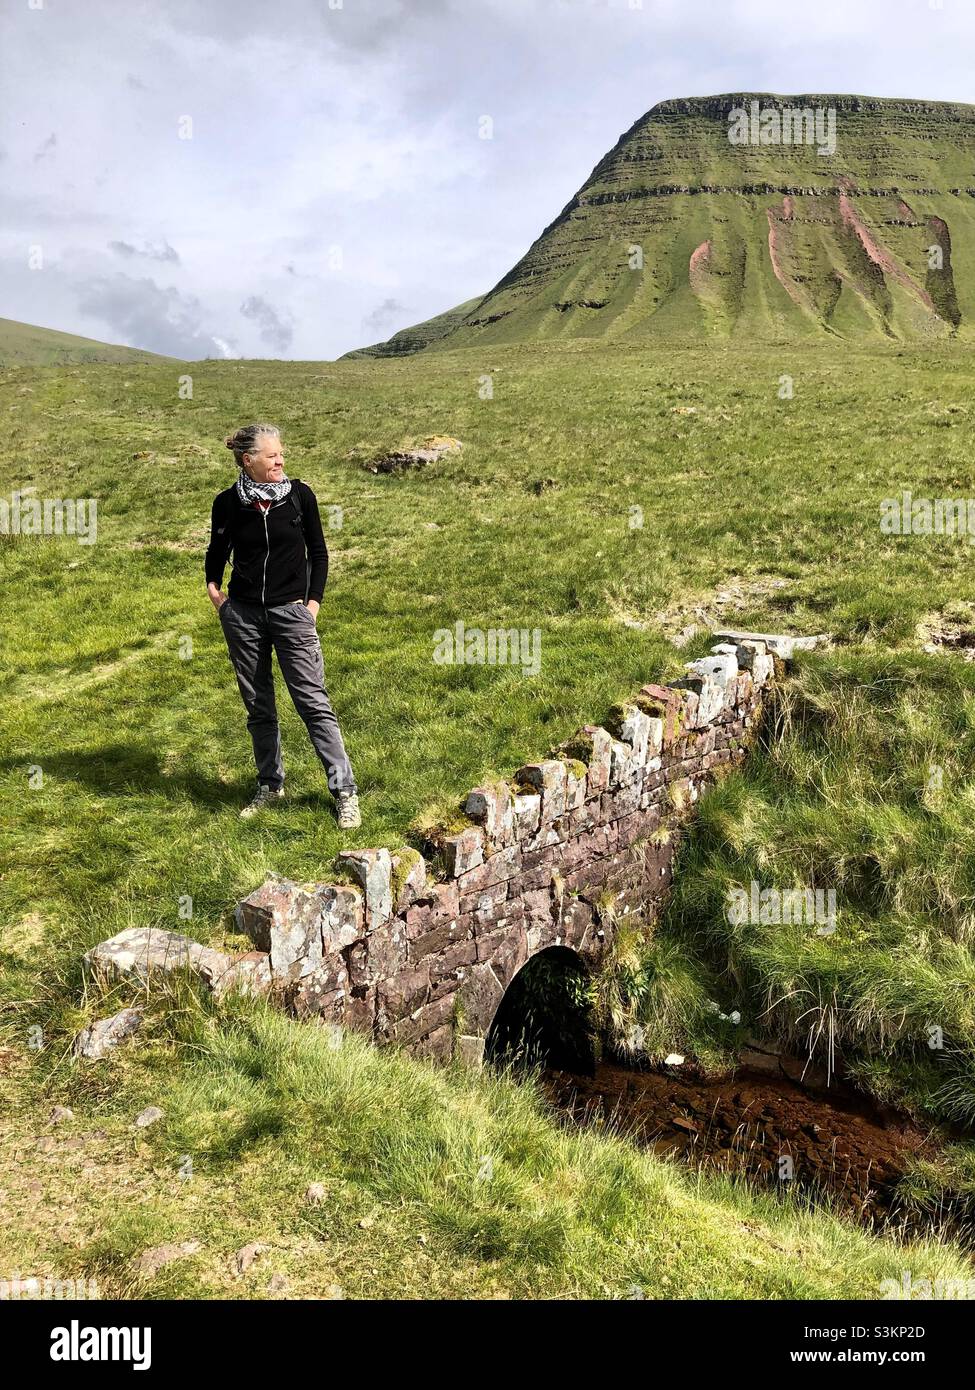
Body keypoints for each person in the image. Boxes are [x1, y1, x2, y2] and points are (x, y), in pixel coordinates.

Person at [205, 422, 361, 828]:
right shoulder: (226, 503)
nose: (281, 459)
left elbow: (320, 553)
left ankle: (344, 791)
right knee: (258, 706)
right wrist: (217, 597)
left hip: (292, 614)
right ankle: (270, 785)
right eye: (272, 454)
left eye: (281, 453)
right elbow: (217, 550)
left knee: (312, 702)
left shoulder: (299, 496)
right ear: (248, 460)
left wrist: (311, 605)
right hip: (243, 616)